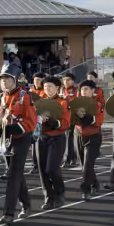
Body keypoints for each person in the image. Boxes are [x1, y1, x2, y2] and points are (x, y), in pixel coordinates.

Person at [0, 62, 36, 224]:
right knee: (17, 174)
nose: (4, 81)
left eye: (7, 78)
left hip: (21, 138)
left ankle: (8, 213)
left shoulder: (24, 96)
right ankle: (26, 205)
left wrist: (14, 129)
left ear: (14, 80)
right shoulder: (0, 97)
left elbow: (31, 122)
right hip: (6, 140)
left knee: (13, 175)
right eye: (2, 79)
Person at [35, 75, 68, 209]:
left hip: (57, 137)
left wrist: (51, 120)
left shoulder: (63, 102)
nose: (47, 89)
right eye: (45, 87)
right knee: (42, 170)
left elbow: (65, 123)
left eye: (50, 86)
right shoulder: (39, 103)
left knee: (52, 169)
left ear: (57, 88)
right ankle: (49, 197)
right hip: (41, 138)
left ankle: (60, 193)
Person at [74, 80, 105, 201]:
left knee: (88, 164)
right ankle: (95, 183)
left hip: (93, 136)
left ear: (93, 91)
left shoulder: (97, 104)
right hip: (78, 135)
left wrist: (85, 117)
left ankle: (85, 189)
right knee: (83, 165)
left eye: (86, 89)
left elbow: (99, 120)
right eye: (82, 89)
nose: (83, 91)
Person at [60, 73, 79, 167]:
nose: (65, 82)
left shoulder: (76, 90)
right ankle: (72, 157)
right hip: (64, 117)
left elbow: (77, 103)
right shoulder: (61, 89)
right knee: (68, 138)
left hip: (73, 117)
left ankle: (68, 159)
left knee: (70, 137)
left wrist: (67, 99)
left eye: (68, 80)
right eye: (64, 80)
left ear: (73, 81)